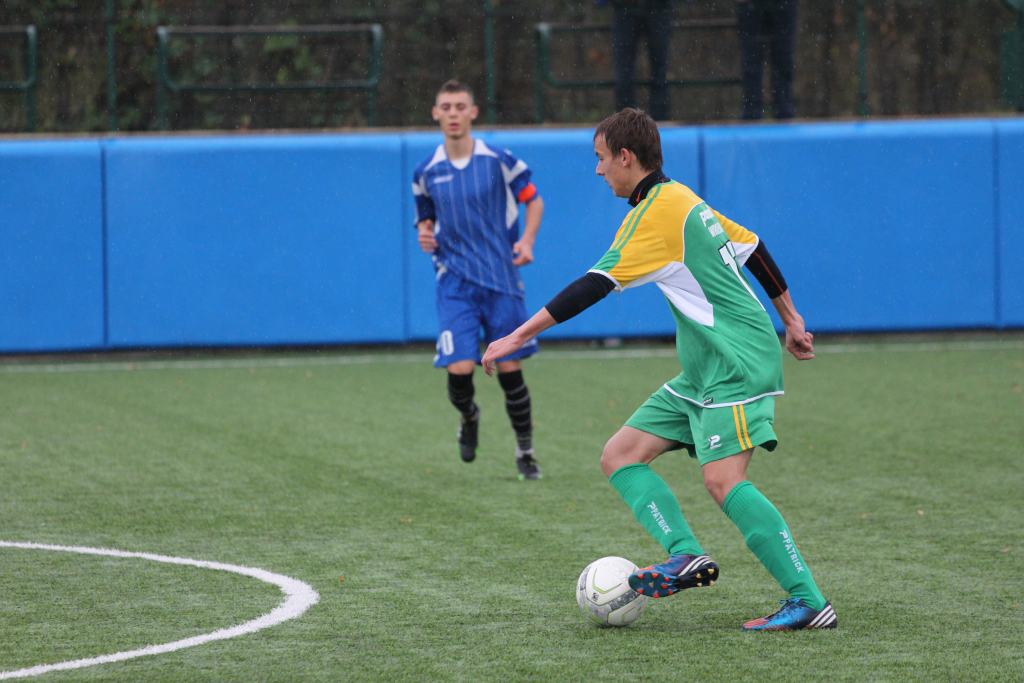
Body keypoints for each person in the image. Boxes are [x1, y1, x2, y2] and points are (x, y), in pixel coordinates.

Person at [482, 108, 835, 630]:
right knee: (620, 455)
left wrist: (516, 335)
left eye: (601, 159)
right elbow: (753, 246)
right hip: (703, 371)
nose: (598, 170)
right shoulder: (680, 199)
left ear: (626, 157)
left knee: (721, 480)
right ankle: (685, 553)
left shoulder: (657, 214)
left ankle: (808, 600)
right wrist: (791, 315)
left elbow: (592, 285)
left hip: (736, 363)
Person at [412, 79, 546, 481]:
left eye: (460, 106)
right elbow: (425, 220)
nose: (453, 113)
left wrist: (526, 239)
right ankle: (469, 416)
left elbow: (534, 200)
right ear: (436, 113)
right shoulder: (425, 173)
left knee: (510, 371)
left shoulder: (498, 159)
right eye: (446, 107)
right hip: (454, 283)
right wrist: (423, 232)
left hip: (501, 280)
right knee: (459, 369)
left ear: (473, 112)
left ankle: (525, 453)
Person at [605, 0, 674, 120]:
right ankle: (626, 121)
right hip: (628, 10)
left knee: (658, 71)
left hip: (654, 9)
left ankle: (656, 120)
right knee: (625, 73)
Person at [736, 0, 798, 119]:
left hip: (782, 5)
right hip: (751, 5)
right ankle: (752, 111)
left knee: (783, 60)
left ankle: (783, 110)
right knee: (751, 62)